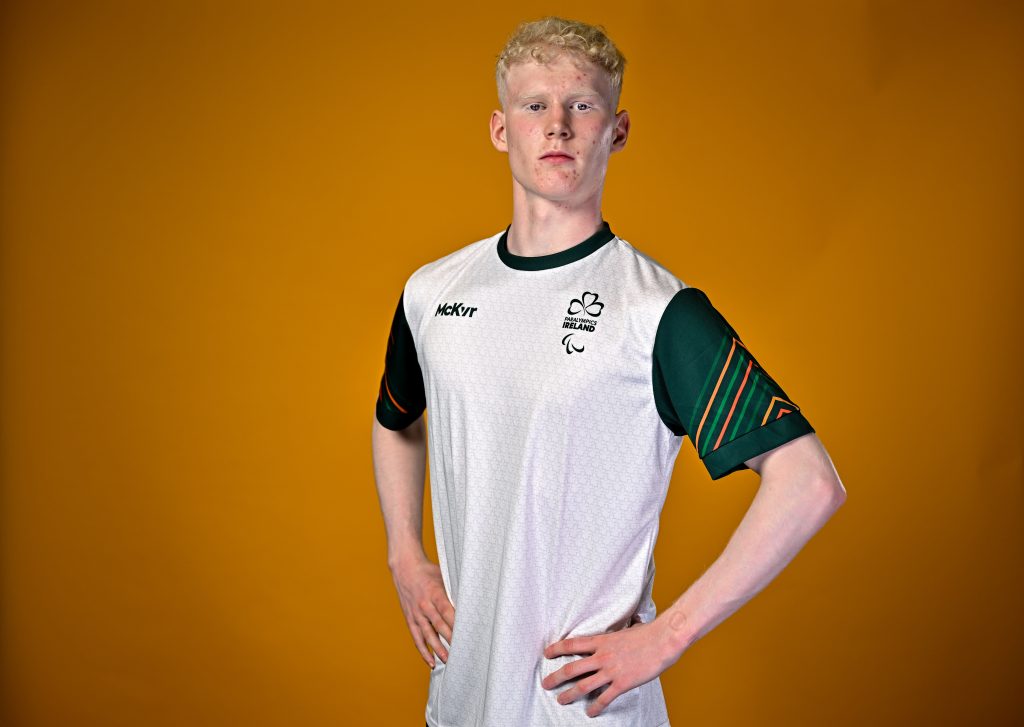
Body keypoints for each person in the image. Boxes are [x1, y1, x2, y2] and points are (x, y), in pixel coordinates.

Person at [370, 16, 846, 727]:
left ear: (617, 131)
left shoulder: (657, 311)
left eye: (581, 105)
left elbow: (809, 481)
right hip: (460, 697)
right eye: (535, 105)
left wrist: (667, 636)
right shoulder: (432, 292)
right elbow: (396, 420)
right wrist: (405, 556)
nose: (557, 126)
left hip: (581, 708)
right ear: (502, 129)